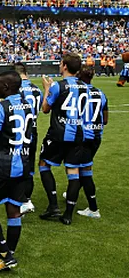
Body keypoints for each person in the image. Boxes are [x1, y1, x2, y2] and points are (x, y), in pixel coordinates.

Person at [0, 70, 35, 272]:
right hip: (24, 165)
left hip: (3, 165)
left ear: (7, 87)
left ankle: (6, 253)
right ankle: (8, 255)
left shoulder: (2, 107)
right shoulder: (28, 105)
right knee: (14, 210)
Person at [38, 53, 89, 225]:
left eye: (61, 63)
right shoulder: (85, 87)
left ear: (65, 66)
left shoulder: (57, 86)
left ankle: (53, 205)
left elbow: (45, 109)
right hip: (78, 134)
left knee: (44, 164)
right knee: (73, 172)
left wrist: (46, 88)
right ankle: (68, 214)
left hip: (58, 134)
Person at [74, 65, 108, 219]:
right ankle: (71, 192)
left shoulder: (78, 93)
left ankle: (94, 209)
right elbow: (105, 119)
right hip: (97, 136)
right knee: (83, 168)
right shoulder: (101, 93)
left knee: (85, 172)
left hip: (84, 136)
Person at [13, 62, 43, 215]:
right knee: (30, 166)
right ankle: (28, 199)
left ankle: (20, 200)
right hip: (33, 130)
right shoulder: (37, 89)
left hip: (19, 131)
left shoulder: (16, 89)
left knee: (18, 165)